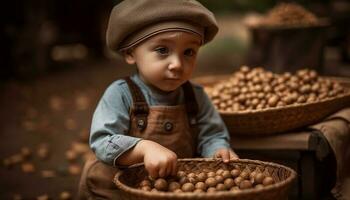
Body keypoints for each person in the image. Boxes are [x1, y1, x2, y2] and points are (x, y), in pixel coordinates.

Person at [78, 0, 238, 198]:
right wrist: (144, 148)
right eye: (162, 50)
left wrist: (218, 149)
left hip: (177, 188)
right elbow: (103, 142)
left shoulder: (195, 95)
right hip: (120, 188)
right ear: (130, 53)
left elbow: (212, 134)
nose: (177, 64)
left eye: (188, 52)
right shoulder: (120, 94)